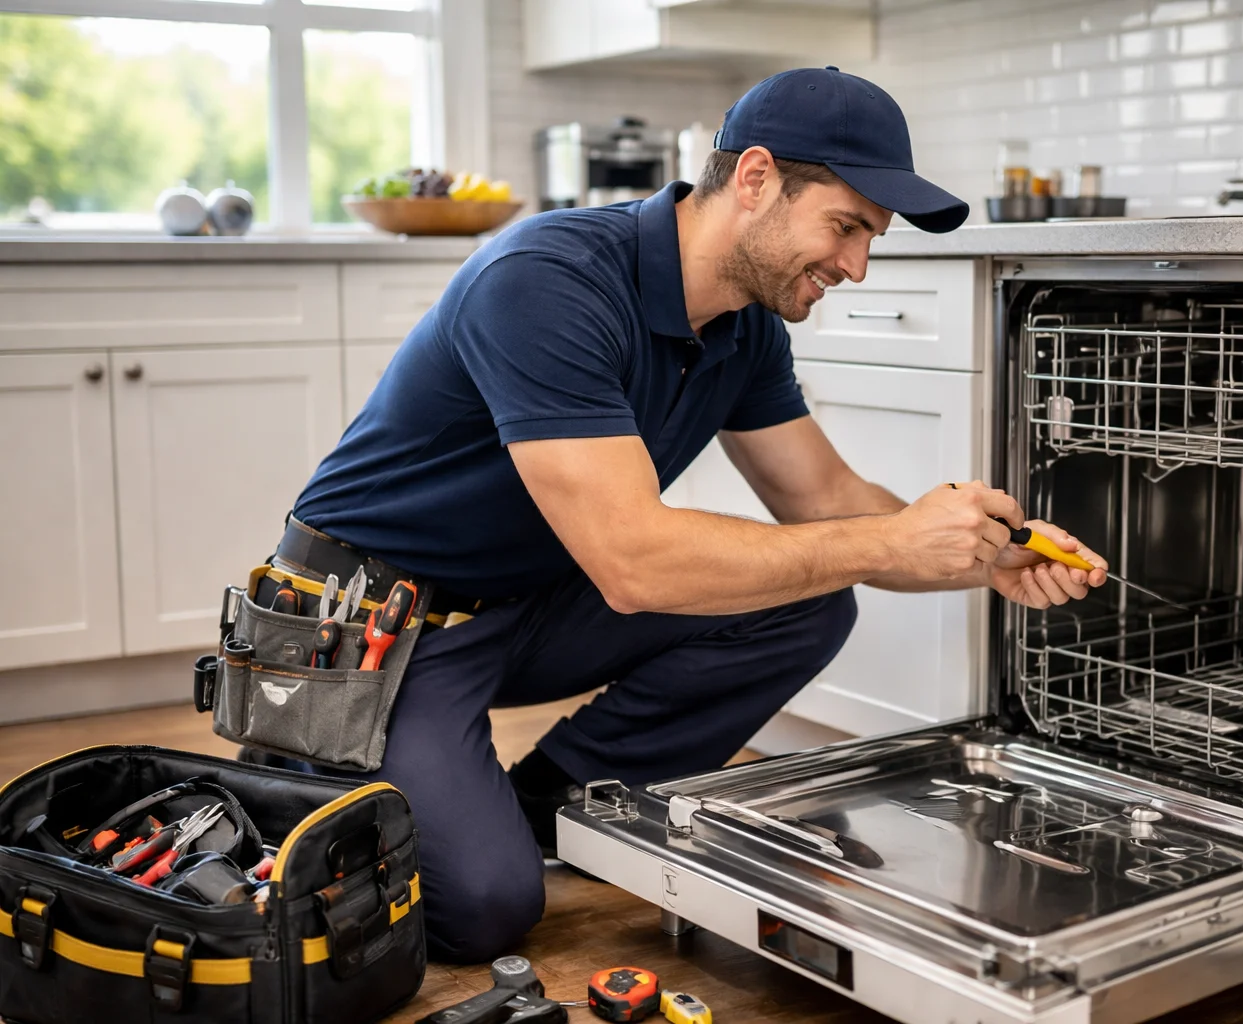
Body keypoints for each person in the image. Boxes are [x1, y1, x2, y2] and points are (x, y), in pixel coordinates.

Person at [263, 67, 1107, 960]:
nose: (856, 267)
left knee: (812, 595)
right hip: (376, 626)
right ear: (755, 180)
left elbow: (827, 501)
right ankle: (304, 763)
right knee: (484, 912)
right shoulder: (547, 279)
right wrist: (884, 539)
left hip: (537, 600)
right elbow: (636, 565)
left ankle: (551, 811)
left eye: (871, 239)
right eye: (846, 226)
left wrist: (986, 555)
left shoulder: (745, 328)